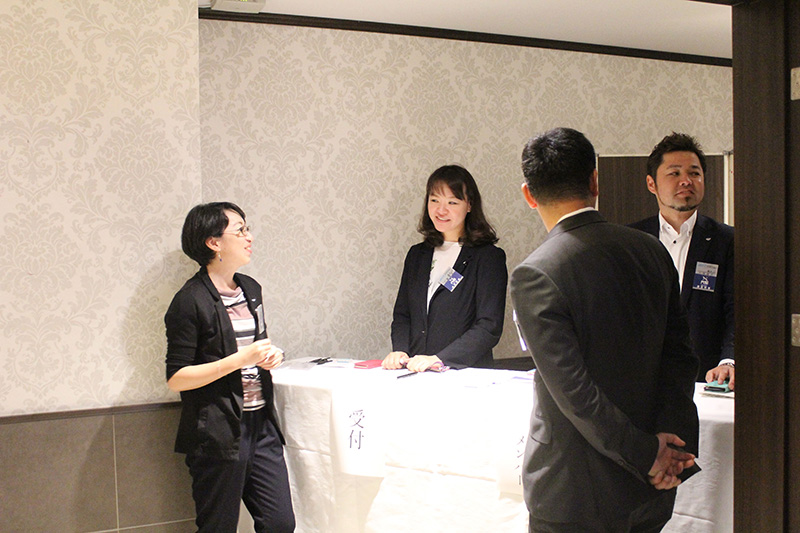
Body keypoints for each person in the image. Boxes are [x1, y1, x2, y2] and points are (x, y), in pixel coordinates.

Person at [510, 128, 699, 532]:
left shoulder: (536, 273)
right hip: (650, 489)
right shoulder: (651, 250)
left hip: (576, 490)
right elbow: (681, 357)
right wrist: (670, 444)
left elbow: (575, 393)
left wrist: (648, 455)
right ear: (595, 181)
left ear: (529, 195)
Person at [164, 202, 295, 533]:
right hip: (217, 432)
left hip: (261, 423)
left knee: (280, 523)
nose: (249, 237)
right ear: (214, 242)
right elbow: (176, 378)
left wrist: (270, 356)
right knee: (218, 527)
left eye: (247, 229)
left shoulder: (250, 288)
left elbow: (257, 345)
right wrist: (240, 360)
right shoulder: (190, 300)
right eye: (240, 230)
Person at [630, 133, 735, 389]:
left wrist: (728, 361)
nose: (686, 181)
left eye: (694, 173)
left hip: (705, 379)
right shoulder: (630, 240)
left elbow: (737, 309)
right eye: (674, 173)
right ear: (652, 184)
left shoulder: (727, 240)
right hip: (641, 380)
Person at [382, 165, 507, 372]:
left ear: (469, 205)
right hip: (416, 371)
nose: (441, 210)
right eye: (434, 200)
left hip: (464, 374)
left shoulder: (487, 257)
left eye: (452, 202)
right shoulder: (417, 255)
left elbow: (489, 326)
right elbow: (403, 315)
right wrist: (400, 351)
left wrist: (440, 358)